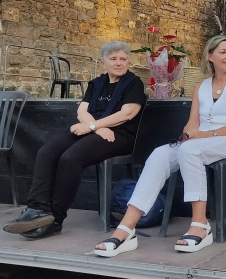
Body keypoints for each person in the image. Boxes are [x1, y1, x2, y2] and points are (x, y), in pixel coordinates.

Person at [93, 35, 226, 257]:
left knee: (190, 150)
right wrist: (187, 134)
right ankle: (126, 228)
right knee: (160, 154)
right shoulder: (201, 87)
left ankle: (200, 224)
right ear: (210, 56)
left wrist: (203, 135)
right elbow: (192, 122)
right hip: (201, 140)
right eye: (223, 52)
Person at [3, 41, 146, 239]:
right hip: (95, 128)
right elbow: (82, 111)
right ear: (103, 62)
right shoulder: (97, 83)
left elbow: (127, 113)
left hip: (119, 134)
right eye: (113, 59)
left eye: (123, 59)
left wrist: (94, 126)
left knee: (71, 158)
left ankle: (55, 220)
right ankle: (37, 210)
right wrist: (93, 127)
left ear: (129, 63)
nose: (119, 63)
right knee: (47, 152)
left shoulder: (133, 83)